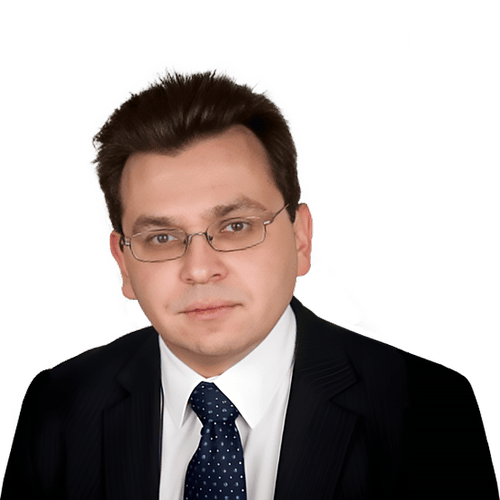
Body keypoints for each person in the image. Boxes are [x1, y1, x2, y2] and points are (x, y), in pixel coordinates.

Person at [1, 63, 498, 500]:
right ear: (123, 264)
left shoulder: (427, 411)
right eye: (161, 238)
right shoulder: (59, 408)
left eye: (235, 227)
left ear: (301, 238)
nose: (199, 269)